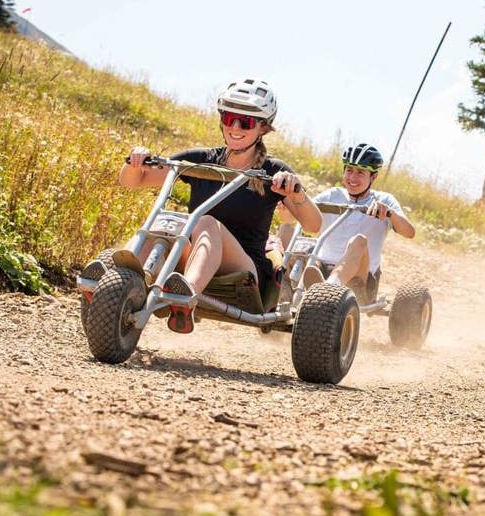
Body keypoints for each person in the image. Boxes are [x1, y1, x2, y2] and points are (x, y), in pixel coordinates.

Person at [96, 77, 322, 333]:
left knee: (204, 222)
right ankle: (116, 281)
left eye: (245, 122)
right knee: (165, 226)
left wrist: (295, 193)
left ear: (262, 128)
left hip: (243, 269)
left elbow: (314, 225)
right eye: (229, 119)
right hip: (195, 256)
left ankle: (186, 297)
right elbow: (133, 182)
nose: (235, 127)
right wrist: (134, 162)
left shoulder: (273, 172)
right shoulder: (201, 160)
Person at [280, 143, 415, 304]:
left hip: (360, 277)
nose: (352, 178)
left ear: (373, 176)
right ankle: (281, 289)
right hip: (320, 268)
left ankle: (328, 289)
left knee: (359, 241)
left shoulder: (384, 200)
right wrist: (285, 209)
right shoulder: (332, 195)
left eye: (360, 172)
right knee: (289, 233)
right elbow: (300, 215)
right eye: (349, 170)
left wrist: (390, 214)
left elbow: (409, 232)